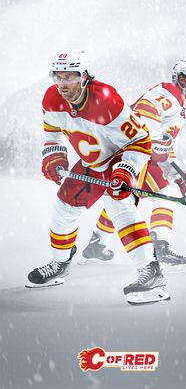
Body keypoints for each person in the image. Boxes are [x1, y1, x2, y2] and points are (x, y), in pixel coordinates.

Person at [25, 49, 170, 305]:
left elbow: (140, 140)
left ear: (84, 77)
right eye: (57, 76)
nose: (61, 83)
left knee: (118, 204)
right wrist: (54, 157)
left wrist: (125, 171)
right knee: (64, 205)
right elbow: (52, 134)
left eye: (68, 76)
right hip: (94, 160)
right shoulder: (51, 99)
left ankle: (152, 273)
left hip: (125, 155)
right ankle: (60, 264)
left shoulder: (105, 98)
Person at [82, 58, 186, 268]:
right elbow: (145, 110)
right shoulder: (170, 93)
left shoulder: (177, 104)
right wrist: (157, 144)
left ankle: (97, 242)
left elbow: (165, 146)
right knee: (163, 193)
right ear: (183, 79)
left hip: (135, 150)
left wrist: (180, 175)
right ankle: (161, 245)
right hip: (137, 151)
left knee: (126, 196)